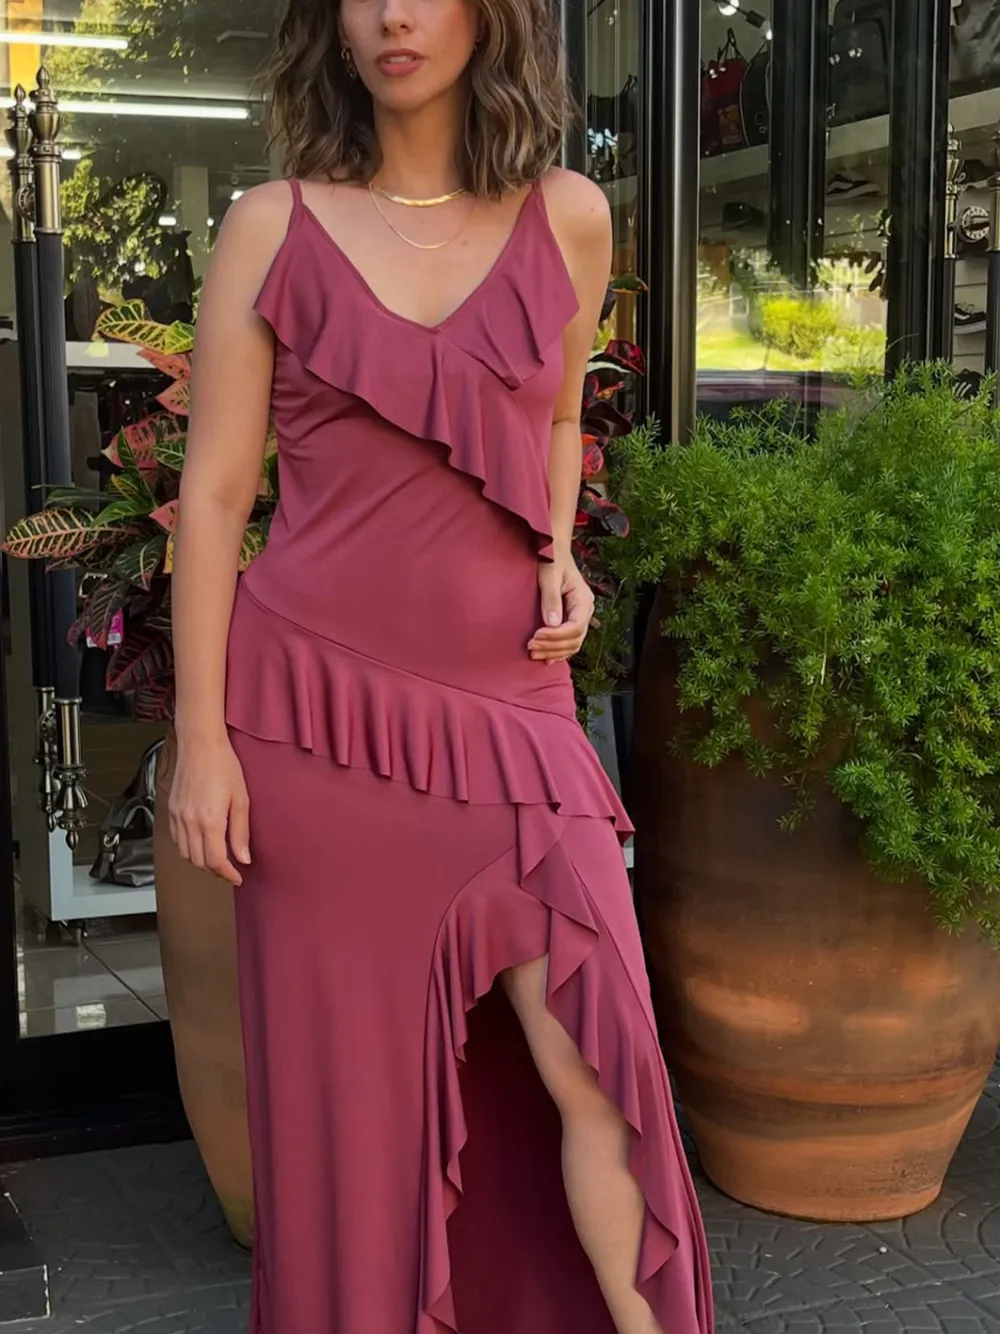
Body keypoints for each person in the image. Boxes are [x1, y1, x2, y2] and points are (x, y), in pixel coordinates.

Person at [168, 1, 714, 1331]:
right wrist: (203, 742)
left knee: (602, 1069)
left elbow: (560, 417)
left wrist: (558, 549)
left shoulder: (569, 216)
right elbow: (217, 498)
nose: (393, 16)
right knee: (354, 1127)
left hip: (513, 710)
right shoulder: (272, 228)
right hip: (316, 729)